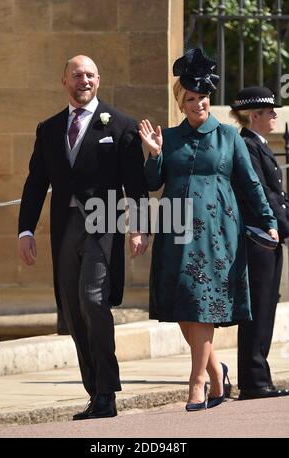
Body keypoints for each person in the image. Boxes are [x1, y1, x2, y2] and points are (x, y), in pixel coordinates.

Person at [139, 48, 278, 411]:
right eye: (190, 98)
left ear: (208, 99)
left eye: (202, 97)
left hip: (218, 234)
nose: (198, 103)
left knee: (203, 304)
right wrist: (153, 154)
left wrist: (268, 221)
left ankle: (197, 380)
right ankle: (217, 372)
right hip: (175, 231)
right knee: (185, 304)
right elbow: (152, 183)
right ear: (180, 103)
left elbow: (250, 183)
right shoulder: (168, 138)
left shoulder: (230, 137)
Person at [18, 55, 149, 419]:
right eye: (77, 75)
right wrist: (25, 230)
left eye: (90, 74)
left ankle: (107, 391)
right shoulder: (48, 129)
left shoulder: (121, 125)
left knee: (93, 300)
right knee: (73, 312)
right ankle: (95, 392)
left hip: (103, 224)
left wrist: (139, 226)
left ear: (99, 80)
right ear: (64, 81)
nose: (84, 80)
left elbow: (135, 185)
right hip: (65, 228)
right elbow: (34, 184)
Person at [230, 86, 289, 400]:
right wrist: (285, 227)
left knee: (266, 308)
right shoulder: (247, 146)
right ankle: (254, 382)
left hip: (268, 238)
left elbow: (276, 196)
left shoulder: (257, 144)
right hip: (258, 239)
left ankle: (259, 378)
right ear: (254, 116)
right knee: (259, 309)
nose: (276, 116)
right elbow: (262, 196)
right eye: (270, 112)